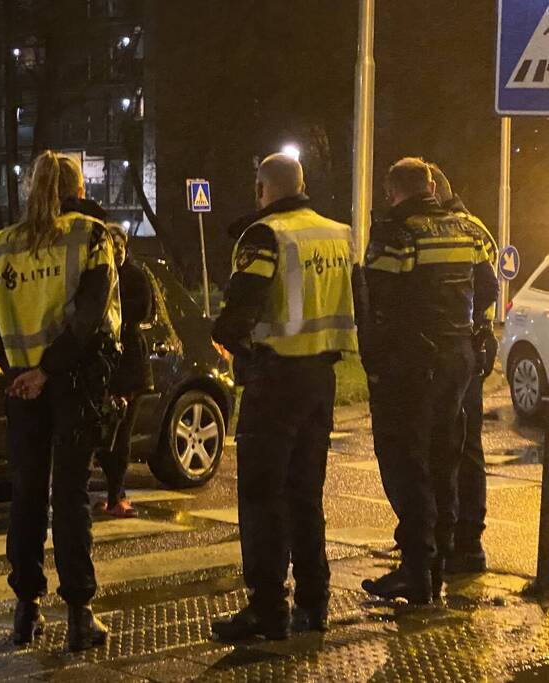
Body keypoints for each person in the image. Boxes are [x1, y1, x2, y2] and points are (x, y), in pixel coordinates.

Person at [0, 151, 121, 652]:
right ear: (78, 191)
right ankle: (79, 613)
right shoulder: (90, 236)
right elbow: (90, 317)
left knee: (28, 493)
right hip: (73, 381)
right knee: (71, 493)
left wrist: (22, 372)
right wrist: (49, 370)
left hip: (23, 387)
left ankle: (25, 609)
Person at [210, 153, 358, 641]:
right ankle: (315, 602)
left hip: (274, 381)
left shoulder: (266, 235)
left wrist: (228, 339)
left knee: (261, 498)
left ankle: (268, 608)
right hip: (321, 381)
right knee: (305, 496)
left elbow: (239, 312)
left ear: (262, 189)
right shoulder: (337, 234)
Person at [360, 158, 498, 604]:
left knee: (407, 462)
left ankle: (416, 569)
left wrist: (377, 362)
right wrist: (467, 330)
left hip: (412, 365)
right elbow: (488, 288)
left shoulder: (396, 233)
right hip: (457, 362)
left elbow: (375, 302)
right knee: (445, 458)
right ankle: (438, 561)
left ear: (392, 192)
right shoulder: (467, 230)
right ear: (432, 188)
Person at [430, 163, 499, 574]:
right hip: (470, 347)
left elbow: (482, 288)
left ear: (433, 192)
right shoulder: (475, 227)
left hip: (459, 348)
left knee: (457, 445)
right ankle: (462, 537)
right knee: (463, 444)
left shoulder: (459, 229)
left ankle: (462, 537)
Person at [95, 223, 154, 518]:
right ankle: (112, 494)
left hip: (129, 366)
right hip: (107, 366)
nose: (116, 250)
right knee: (106, 434)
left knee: (121, 433)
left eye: (120, 245)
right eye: (112, 245)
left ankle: (117, 496)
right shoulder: (101, 274)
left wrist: (112, 309)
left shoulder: (134, 276)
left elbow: (142, 310)